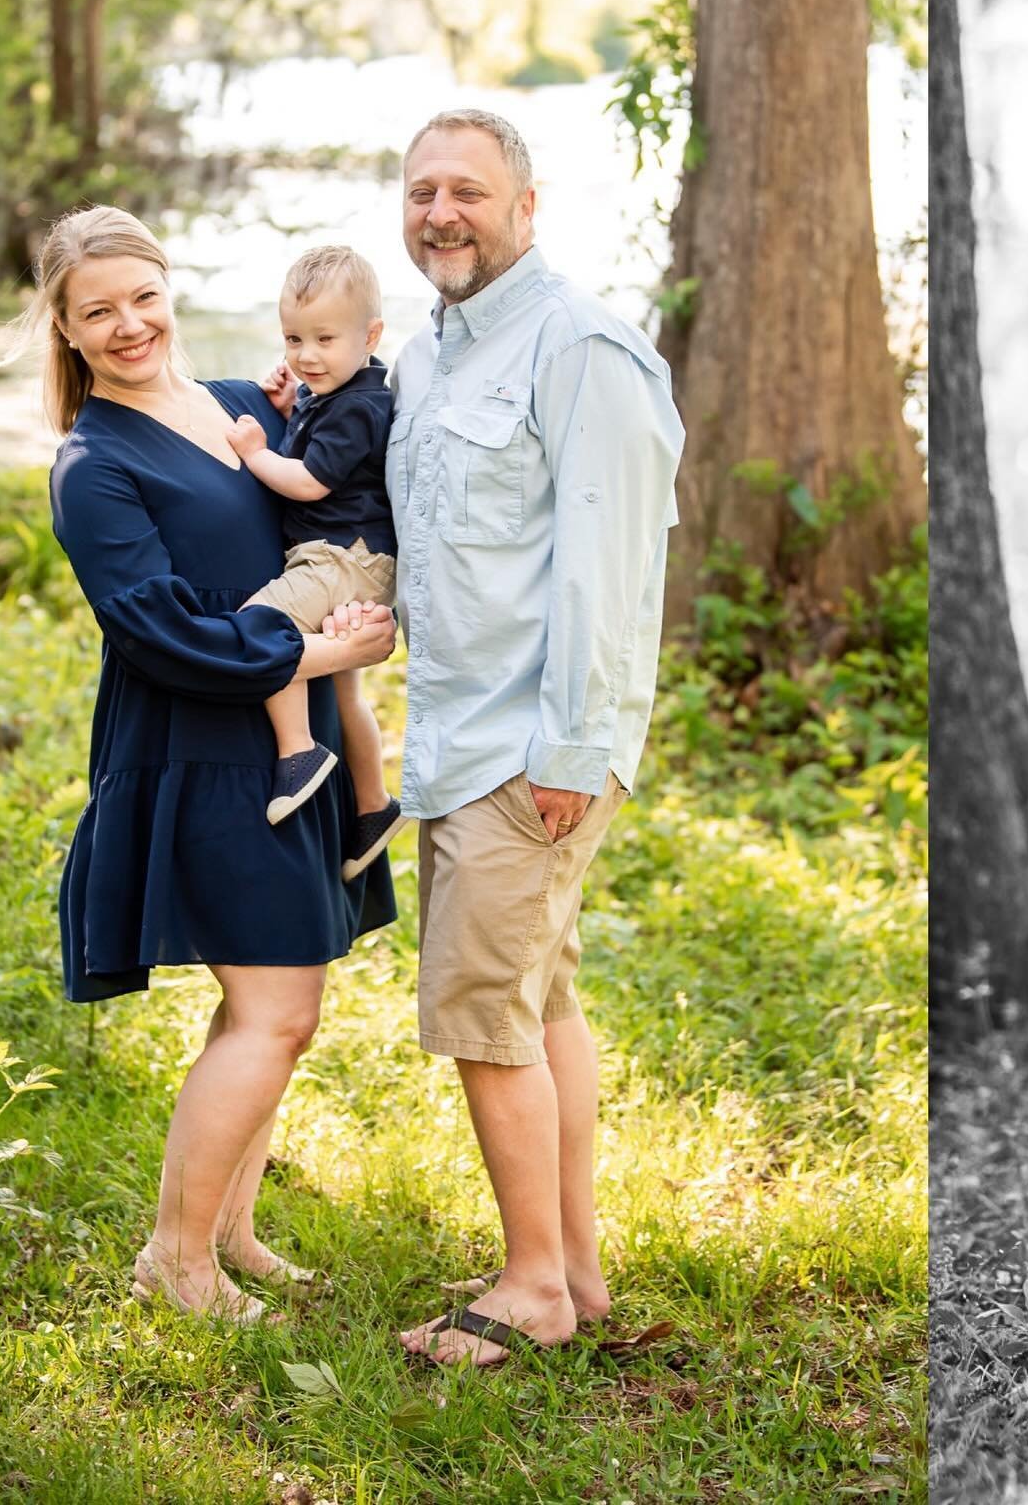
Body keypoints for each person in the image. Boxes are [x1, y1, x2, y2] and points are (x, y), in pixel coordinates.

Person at [30, 205, 397, 1323]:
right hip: (204, 747)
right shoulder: (92, 466)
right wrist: (310, 645)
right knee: (275, 1007)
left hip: (295, 740)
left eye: (145, 296)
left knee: (278, 1001)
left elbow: (339, 456)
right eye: (100, 310)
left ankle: (231, 1229)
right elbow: (157, 627)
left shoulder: (239, 404)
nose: (132, 324)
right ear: (66, 325)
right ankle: (176, 1260)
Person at [386, 108, 685, 1366]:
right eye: (420, 192)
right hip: (460, 733)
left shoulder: (583, 348)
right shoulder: (432, 353)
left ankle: (532, 1293)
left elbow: (609, 575)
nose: (440, 212)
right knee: (540, 997)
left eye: (466, 189)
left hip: (530, 747)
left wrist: (570, 752)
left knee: (480, 1010)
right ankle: (575, 1266)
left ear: (526, 204)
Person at [224, 245, 407, 878]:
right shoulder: (342, 392)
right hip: (359, 560)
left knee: (257, 624)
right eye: (293, 338)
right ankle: (372, 804)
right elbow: (321, 439)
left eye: (325, 338)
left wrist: (255, 449)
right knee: (344, 687)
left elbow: (309, 481)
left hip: (340, 559)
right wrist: (288, 411)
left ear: (371, 335)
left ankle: (297, 752)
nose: (306, 356)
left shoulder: (358, 405)